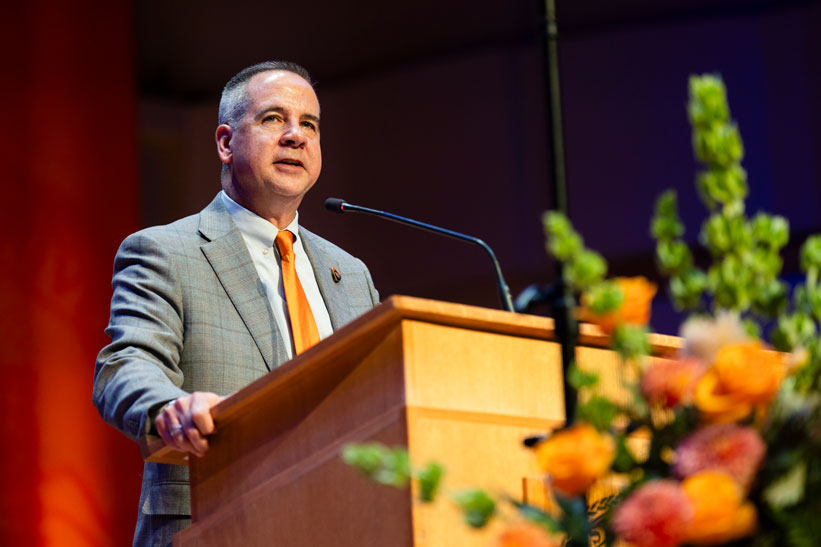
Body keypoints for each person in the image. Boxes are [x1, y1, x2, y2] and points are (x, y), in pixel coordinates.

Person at [93, 61, 379, 546]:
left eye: (309, 124)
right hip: (216, 519)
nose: (295, 136)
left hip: (344, 521)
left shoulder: (350, 273)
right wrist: (170, 407)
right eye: (273, 119)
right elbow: (125, 365)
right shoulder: (165, 251)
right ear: (226, 143)